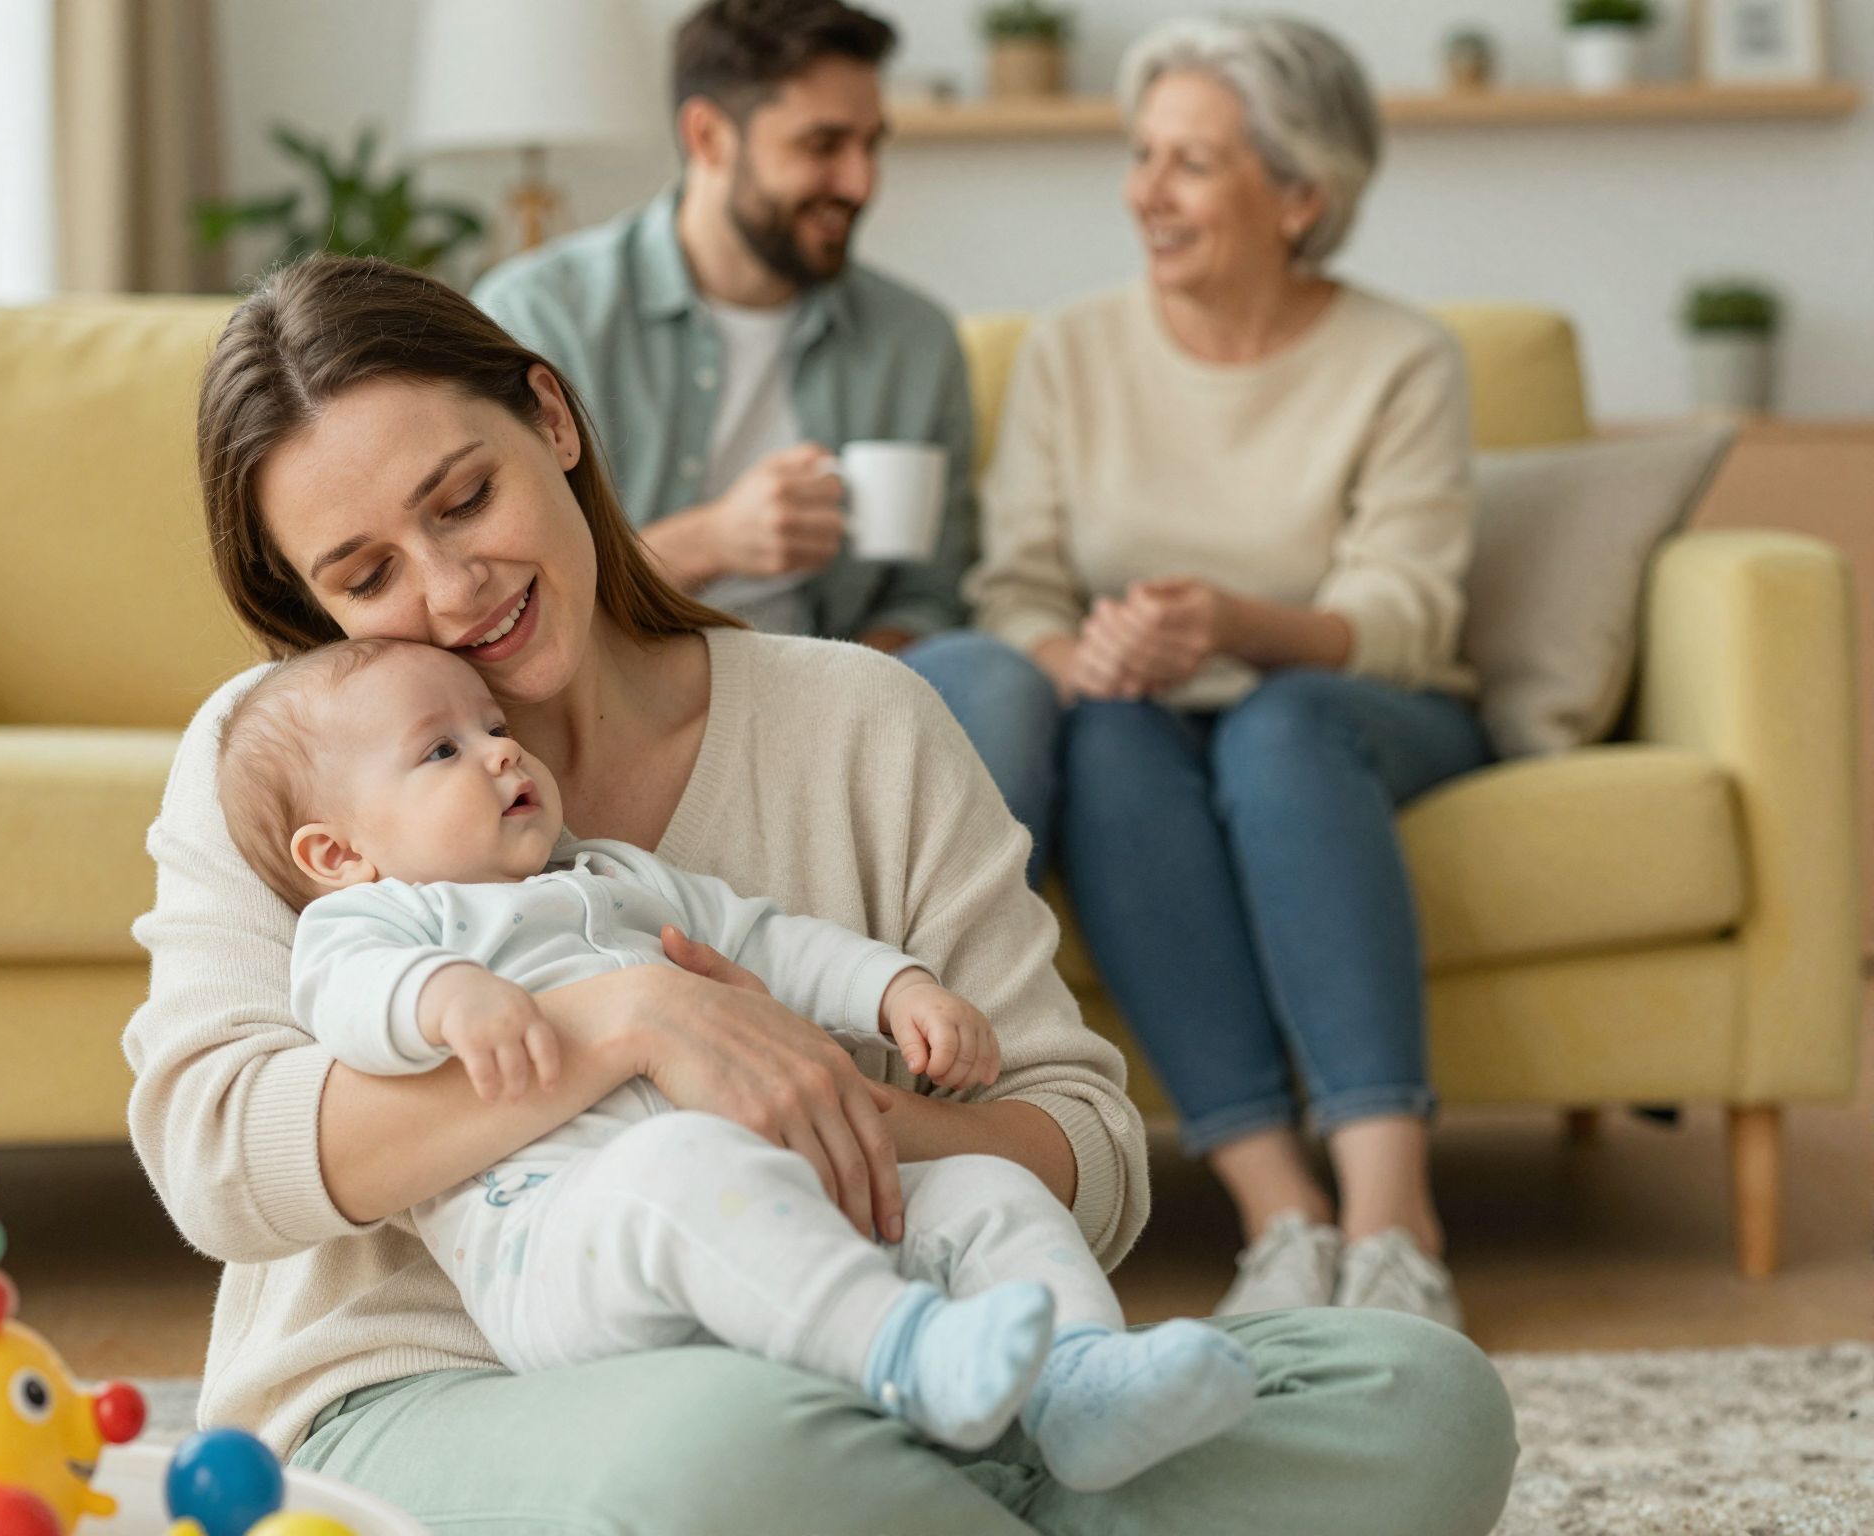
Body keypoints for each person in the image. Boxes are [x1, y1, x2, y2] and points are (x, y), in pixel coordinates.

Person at [125, 250, 1516, 1535]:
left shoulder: (865, 722)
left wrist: (834, 1109)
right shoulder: (288, 772)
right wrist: (631, 1026)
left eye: (465, 497)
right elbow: (216, 1156)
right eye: (365, 575)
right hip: (446, 1398)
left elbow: (1087, 1154)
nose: (448, 586)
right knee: (732, 1460)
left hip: (907, 1348)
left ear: (551, 419)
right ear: (311, 604)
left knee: (1420, 1396)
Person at [211, 635, 1257, 1492]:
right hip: (558, 1245)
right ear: (337, 854)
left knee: (982, 1187)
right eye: (439, 752)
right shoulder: (384, 920)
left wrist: (899, 994)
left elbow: (771, 942)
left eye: (492, 727)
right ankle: (906, 1359)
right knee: (680, 1175)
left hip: (764, 1194)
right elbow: (342, 1001)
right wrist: (443, 997)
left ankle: (1078, 1387)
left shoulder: (615, 876)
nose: (498, 755)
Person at [959, 17, 1493, 1326]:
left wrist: (1236, 625)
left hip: (1357, 709)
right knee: (1106, 739)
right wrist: (1079, 654)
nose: (1145, 193)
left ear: (1301, 193)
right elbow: (1013, 590)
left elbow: (1408, 610)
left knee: (1281, 730)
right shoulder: (1072, 352)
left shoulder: (1399, 358)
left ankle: (1391, 1218)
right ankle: (1282, 1218)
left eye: (1189, 163)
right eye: (1142, 157)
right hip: (1147, 713)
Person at [469, 0, 976, 658]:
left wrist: (860, 688)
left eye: (871, 144)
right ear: (708, 136)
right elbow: (506, 586)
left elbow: (931, 594)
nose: (861, 181)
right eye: (822, 145)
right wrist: (714, 540)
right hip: (617, 684)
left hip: (837, 686)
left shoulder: (916, 341)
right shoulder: (540, 317)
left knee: (985, 671)